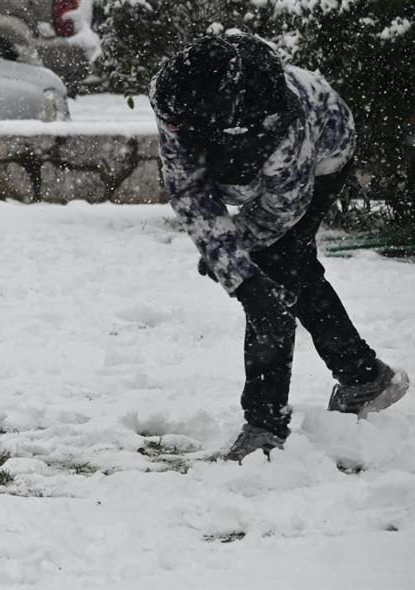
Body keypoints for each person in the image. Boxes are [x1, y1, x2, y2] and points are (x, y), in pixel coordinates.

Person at [148, 33, 409, 461]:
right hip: (246, 152)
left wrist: (236, 259)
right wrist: (227, 258)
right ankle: (364, 376)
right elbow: (188, 190)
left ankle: (265, 426)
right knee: (287, 274)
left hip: (321, 160)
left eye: (178, 124)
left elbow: (280, 209)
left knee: (278, 273)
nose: (170, 129)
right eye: (168, 121)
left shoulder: (285, 128)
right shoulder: (178, 94)